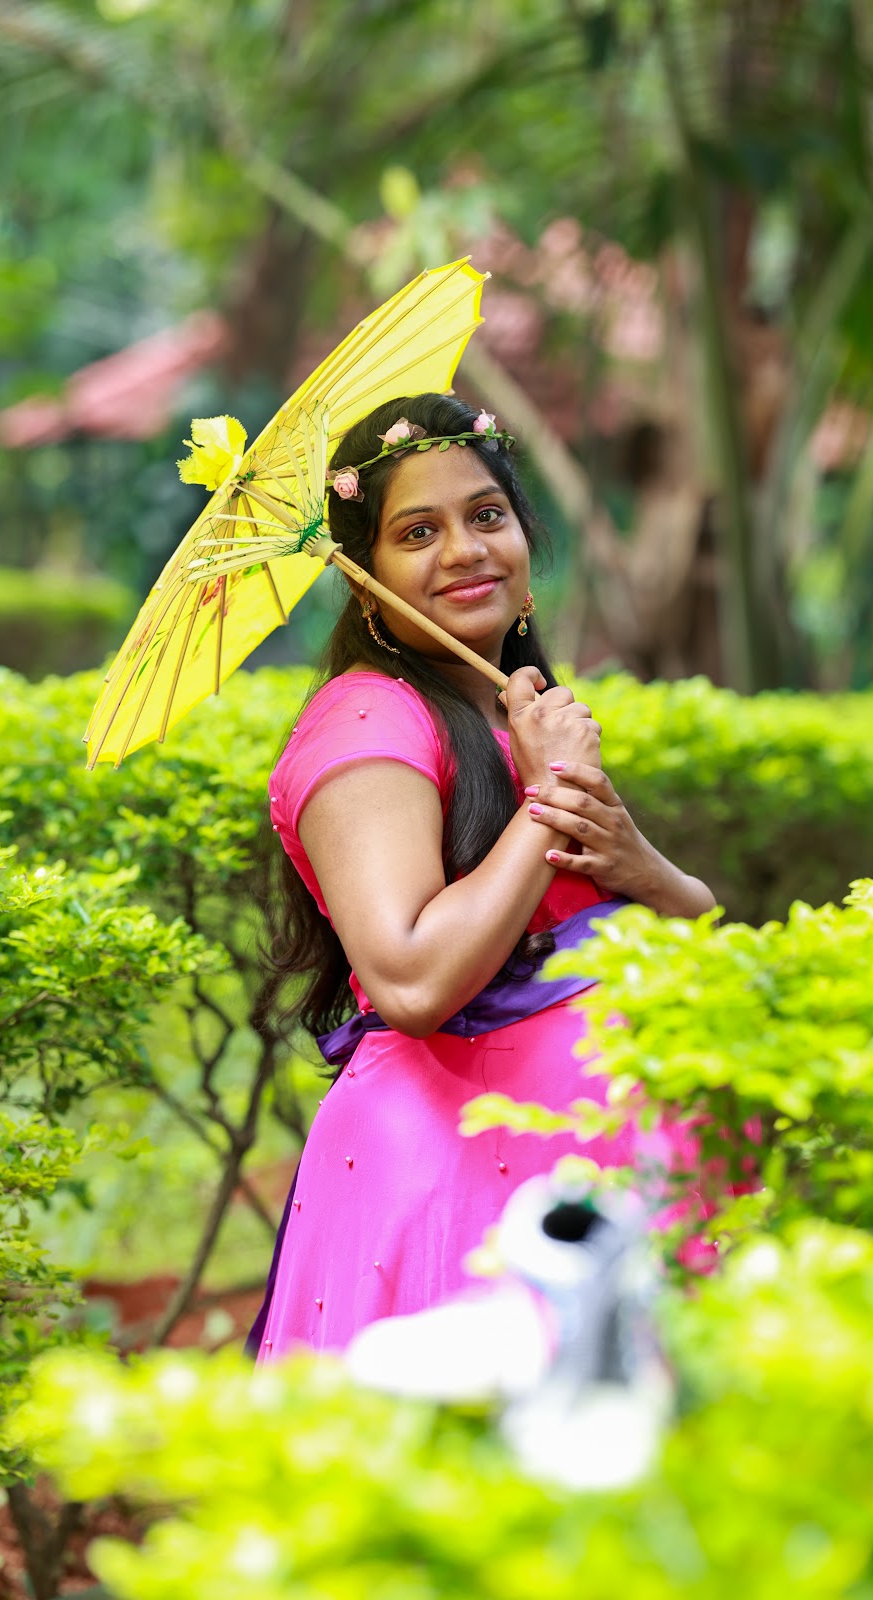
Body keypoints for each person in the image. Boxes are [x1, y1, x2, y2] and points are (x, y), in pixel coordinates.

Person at [248, 393, 715, 1360]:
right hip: (459, 1179)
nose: (464, 549)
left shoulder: (515, 719)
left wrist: (636, 861)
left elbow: (699, 930)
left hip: (593, 1173)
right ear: (364, 576)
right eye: (417, 531)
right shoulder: (367, 722)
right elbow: (411, 979)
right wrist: (545, 801)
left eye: (485, 515)